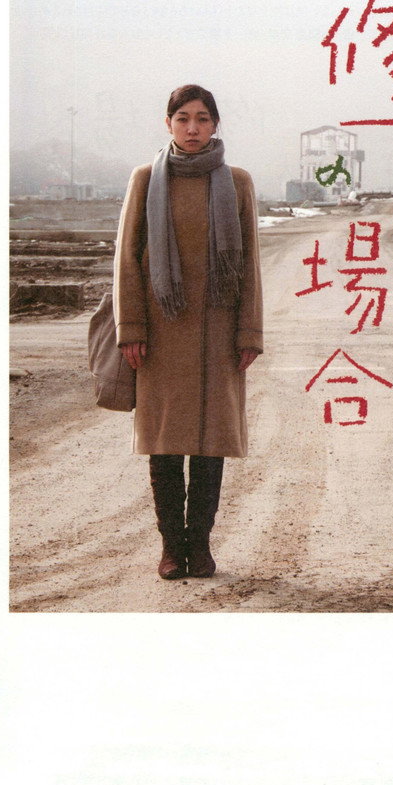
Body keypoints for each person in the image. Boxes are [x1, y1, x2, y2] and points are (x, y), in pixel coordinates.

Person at [114, 85, 263, 580]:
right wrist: (131, 328)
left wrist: (249, 333)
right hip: (160, 332)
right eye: (183, 118)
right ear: (169, 124)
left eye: (202, 118)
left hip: (218, 332)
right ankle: (170, 548)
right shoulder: (146, 179)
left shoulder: (237, 183)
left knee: (209, 441)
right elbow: (127, 260)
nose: (193, 128)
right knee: (164, 441)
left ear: (215, 124)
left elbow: (250, 265)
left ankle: (199, 545)